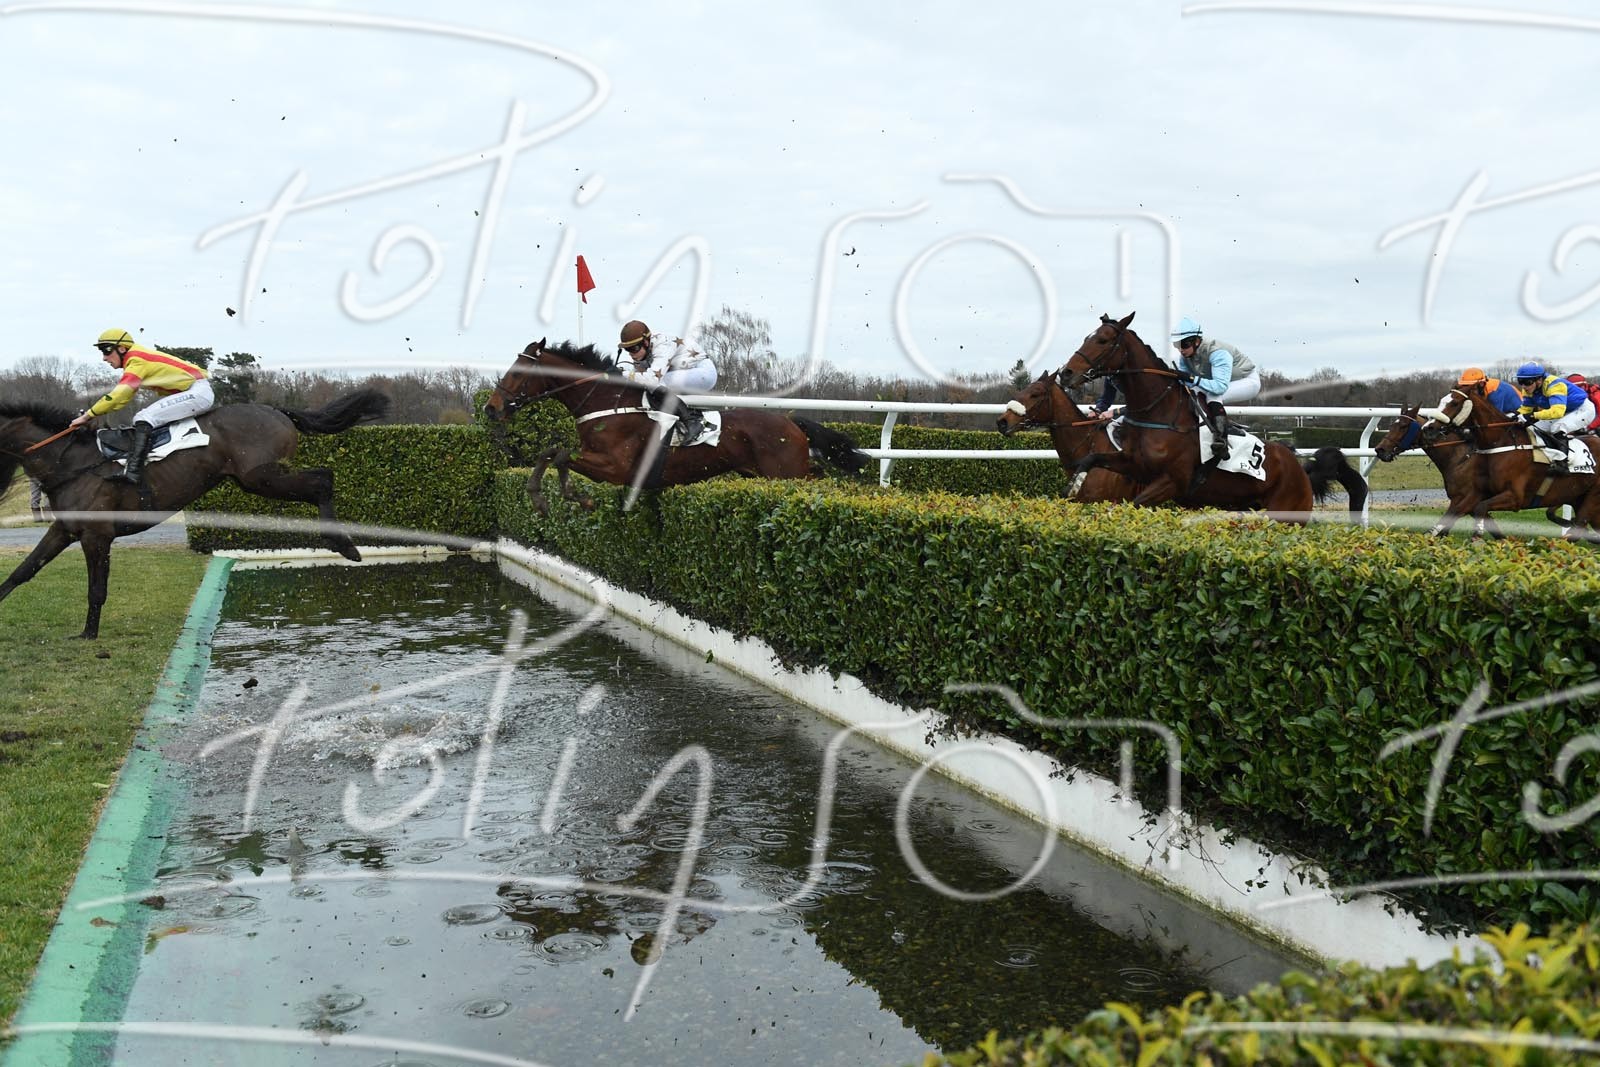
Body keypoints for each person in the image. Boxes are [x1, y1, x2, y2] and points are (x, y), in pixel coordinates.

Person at [68, 329, 214, 487]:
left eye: (106, 351)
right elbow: (123, 399)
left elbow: (119, 394)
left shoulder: (136, 360)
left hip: (197, 391)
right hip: (195, 390)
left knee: (143, 417)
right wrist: (95, 414)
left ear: (122, 348)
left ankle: (133, 471)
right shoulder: (135, 359)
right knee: (142, 418)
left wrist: (87, 416)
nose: (104, 358)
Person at [1170, 316, 1260, 461]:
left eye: (1184, 344)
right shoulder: (1185, 357)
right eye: (1177, 345)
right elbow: (1187, 385)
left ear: (1196, 341)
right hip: (1221, 381)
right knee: (1193, 393)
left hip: (1247, 381)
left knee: (1213, 395)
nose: (1181, 349)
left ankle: (1221, 440)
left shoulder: (1217, 352)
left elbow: (1219, 387)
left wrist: (1191, 379)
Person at [614, 320, 718, 443]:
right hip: (684, 373)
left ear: (646, 342)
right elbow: (636, 380)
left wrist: (621, 373)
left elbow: (651, 380)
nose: (631, 354)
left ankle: (694, 420)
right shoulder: (641, 354)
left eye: (634, 348)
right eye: (627, 350)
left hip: (703, 372)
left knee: (655, 384)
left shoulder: (662, 345)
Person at [1513, 361, 1594, 460]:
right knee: (1532, 429)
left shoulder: (1555, 385)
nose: (1523, 386)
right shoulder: (1528, 389)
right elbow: (1526, 408)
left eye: (1527, 382)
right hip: (1564, 410)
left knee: (1557, 428)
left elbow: (1557, 412)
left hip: (1582, 409)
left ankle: (1564, 461)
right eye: (1520, 381)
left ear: (1539, 380)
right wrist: (1514, 415)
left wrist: (1533, 416)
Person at [1456, 367, 1522, 415]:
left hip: (1518, 412)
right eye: (1465, 386)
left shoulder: (1495, 392)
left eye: (1471, 387)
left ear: (1481, 384)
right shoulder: (1482, 389)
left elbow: (1495, 416)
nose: (1468, 390)